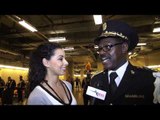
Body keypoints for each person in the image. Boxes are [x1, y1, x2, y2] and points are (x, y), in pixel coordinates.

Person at [89, 20, 160, 105]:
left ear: (124, 47)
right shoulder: (96, 80)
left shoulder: (150, 81)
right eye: (100, 48)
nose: (101, 53)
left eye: (107, 47)